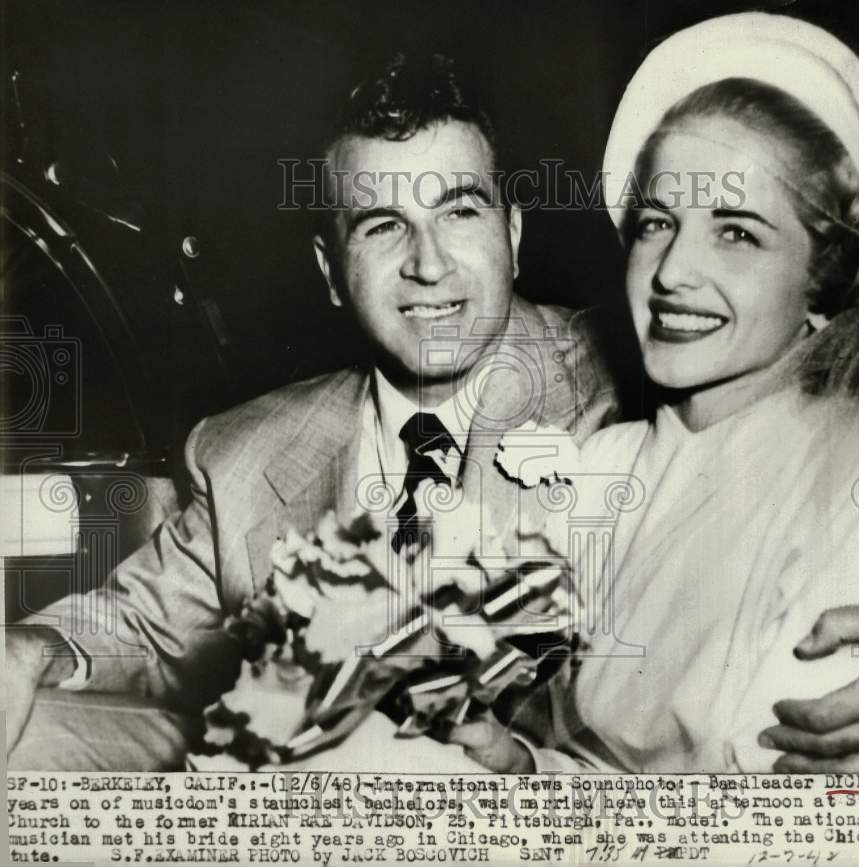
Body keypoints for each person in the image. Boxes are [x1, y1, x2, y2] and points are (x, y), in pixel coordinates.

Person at [5, 53, 618, 770]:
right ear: (331, 271)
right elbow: (145, 626)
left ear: (512, 235)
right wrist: (28, 650)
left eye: (458, 210)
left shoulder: (624, 391)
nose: (429, 263)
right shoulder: (242, 455)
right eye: (383, 225)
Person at [447, 12, 859, 773]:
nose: (672, 271)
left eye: (736, 232)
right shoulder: (602, 464)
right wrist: (521, 769)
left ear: (822, 281)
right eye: (655, 222)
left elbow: (773, 816)